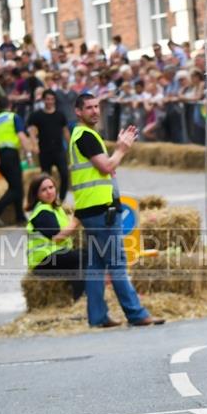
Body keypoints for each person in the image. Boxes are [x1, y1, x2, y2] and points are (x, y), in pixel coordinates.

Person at [69, 92, 164, 328]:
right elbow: (106, 167)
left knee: (97, 265)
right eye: (88, 107)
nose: (94, 111)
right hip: (100, 210)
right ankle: (136, 314)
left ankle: (98, 317)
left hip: (91, 209)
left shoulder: (81, 135)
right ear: (78, 112)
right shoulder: (86, 136)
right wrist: (122, 149)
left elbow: (104, 170)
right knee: (117, 262)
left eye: (96, 106)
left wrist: (117, 153)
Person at [26, 173, 85, 301]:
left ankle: (81, 300)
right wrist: (76, 221)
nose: (49, 192)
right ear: (36, 195)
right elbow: (58, 237)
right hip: (43, 260)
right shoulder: (42, 212)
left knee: (77, 266)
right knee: (84, 256)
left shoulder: (55, 209)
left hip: (55, 256)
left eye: (51, 187)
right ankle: (81, 300)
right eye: (43, 190)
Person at [0, 95, 33, 226]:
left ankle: (20, 217)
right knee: (17, 189)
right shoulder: (13, 117)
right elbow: (21, 136)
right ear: (10, 106)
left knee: (15, 186)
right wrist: (29, 154)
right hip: (10, 154)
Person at [28, 89, 71, 200]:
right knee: (46, 178)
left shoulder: (60, 115)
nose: (50, 101)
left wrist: (71, 145)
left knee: (65, 174)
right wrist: (34, 145)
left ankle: (61, 198)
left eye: (52, 99)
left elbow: (65, 131)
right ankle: (49, 199)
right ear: (43, 100)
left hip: (59, 150)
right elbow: (32, 131)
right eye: (47, 99)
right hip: (45, 151)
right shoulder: (37, 116)